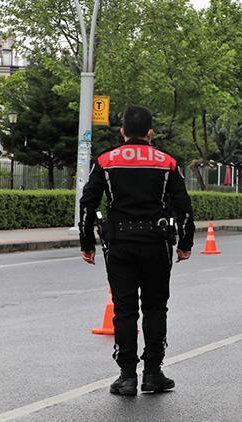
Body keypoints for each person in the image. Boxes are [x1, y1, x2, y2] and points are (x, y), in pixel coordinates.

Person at [79, 105, 195, 395]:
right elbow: (184, 207)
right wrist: (185, 243)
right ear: (150, 132)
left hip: (120, 245)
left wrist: (86, 243)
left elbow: (88, 203)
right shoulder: (167, 162)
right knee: (155, 308)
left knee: (125, 309)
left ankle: (127, 376)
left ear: (122, 132)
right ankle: (153, 373)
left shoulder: (106, 161)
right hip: (156, 245)